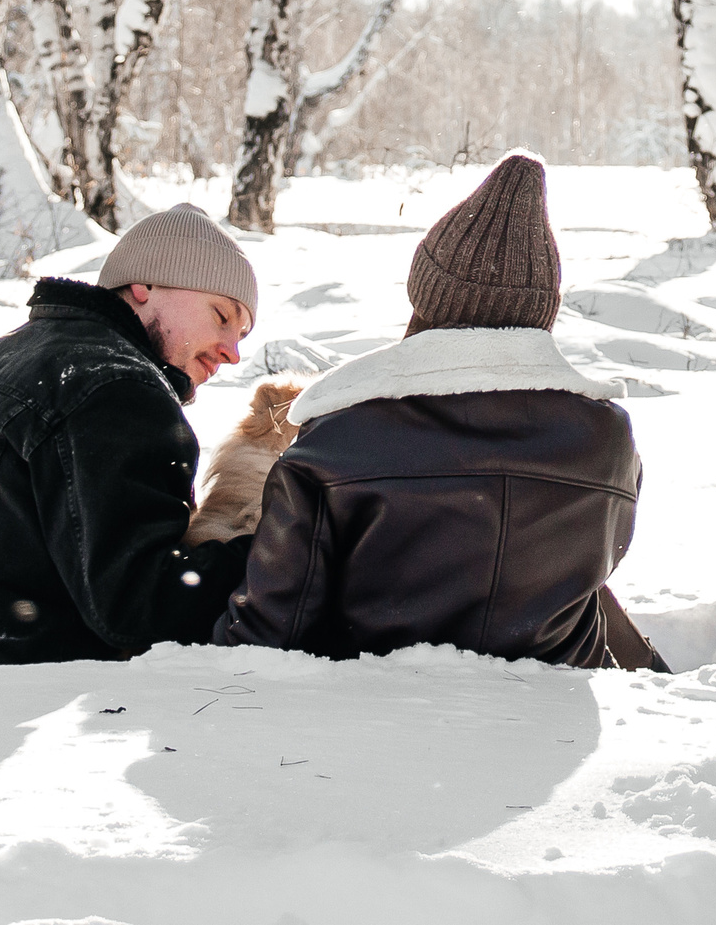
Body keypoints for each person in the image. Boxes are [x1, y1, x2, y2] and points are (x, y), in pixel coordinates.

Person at [214, 152, 664, 670]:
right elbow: (592, 574)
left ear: (425, 295)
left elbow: (273, 628)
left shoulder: (338, 438)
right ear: (541, 314)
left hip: (380, 711)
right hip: (559, 709)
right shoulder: (608, 438)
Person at [0, 204, 260, 665]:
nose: (232, 352)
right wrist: (276, 551)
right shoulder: (115, 385)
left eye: (242, 334)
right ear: (144, 285)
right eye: (222, 315)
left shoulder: (0, 358)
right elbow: (143, 607)